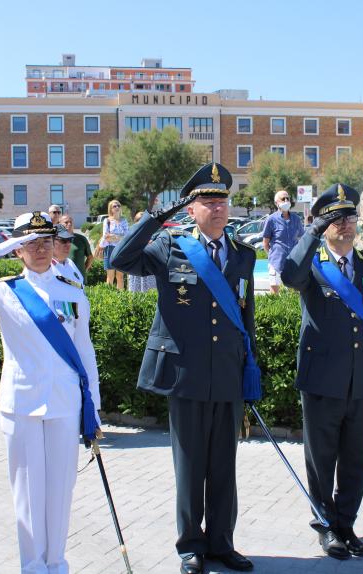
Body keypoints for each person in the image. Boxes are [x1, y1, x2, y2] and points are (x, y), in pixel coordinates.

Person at [111, 163, 257, 574]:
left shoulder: (243, 254)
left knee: (223, 467)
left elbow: (247, 315)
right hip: (186, 374)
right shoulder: (168, 246)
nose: (218, 209)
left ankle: (222, 543)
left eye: (223, 201)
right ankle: (191, 545)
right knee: (191, 466)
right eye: (208, 202)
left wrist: (251, 366)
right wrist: (157, 217)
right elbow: (122, 258)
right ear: (190, 210)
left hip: (228, 372)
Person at [0, 211, 100, 573]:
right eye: (29, 243)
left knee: (60, 490)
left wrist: (93, 408)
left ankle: (56, 562)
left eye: (46, 241)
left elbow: (85, 353)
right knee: (28, 494)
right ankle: (32, 566)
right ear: (17, 250)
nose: (40, 249)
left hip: (65, 403)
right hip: (21, 403)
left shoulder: (72, 293)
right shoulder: (5, 291)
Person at [280, 184, 363, 560]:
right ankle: (325, 526)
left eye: (350, 217)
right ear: (323, 223)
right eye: (336, 218)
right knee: (321, 460)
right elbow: (288, 276)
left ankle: (346, 523)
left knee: (357, 459)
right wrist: (311, 231)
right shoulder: (311, 265)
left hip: (361, 380)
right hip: (322, 381)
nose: (345, 225)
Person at [262, 190, 304, 294]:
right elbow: (265, 243)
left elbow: (302, 238)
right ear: (277, 203)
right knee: (275, 292)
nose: (286, 200)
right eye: (283, 199)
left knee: (293, 291)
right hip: (276, 263)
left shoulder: (296, 219)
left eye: (287, 198)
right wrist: (272, 256)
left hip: (293, 263)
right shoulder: (271, 220)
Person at [100, 200, 128, 290]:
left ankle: (121, 299)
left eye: (118, 206)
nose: (117, 207)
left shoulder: (124, 220)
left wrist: (113, 237)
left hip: (121, 249)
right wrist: (119, 237)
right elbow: (106, 236)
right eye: (114, 206)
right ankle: (109, 297)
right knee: (110, 276)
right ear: (110, 209)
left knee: (120, 276)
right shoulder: (107, 221)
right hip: (110, 249)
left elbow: (127, 236)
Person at [126, 212, 157, 293]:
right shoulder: (130, 236)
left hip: (149, 271)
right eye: (140, 221)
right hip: (135, 272)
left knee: (151, 295)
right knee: (136, 296)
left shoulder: (154, 234)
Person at [61, 213, 94, 281]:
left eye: (71, 222)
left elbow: (90, 257)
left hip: (79, 279)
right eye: (66, 222)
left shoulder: (81, 239)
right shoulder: (56, 240)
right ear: (60, 224)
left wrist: (83, 270)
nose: (69, 224)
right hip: (62, 278)